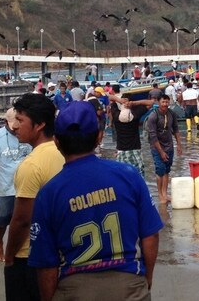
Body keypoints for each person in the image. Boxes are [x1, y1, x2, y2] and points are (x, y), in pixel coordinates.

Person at [28, 102, 164, 301]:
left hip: (74, 287)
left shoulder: (48, 194)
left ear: (56, 141)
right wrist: (145, 280)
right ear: (99, 136)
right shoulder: (129, 176)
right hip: (128, 284)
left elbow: (46, 264)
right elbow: (151, 235)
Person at [4, 93, 65, 301]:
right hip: (62, 252)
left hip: (29, 256)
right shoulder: (66, 153)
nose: (14, 126)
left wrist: (9, 256)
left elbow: (22, 220)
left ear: (39, 125)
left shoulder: (31, 165)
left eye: (20, 121)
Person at [0, 108, 32, 262]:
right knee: (2, 220)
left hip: (28, 186)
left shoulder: (29, 134)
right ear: (5, 123)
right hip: (5, 188)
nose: (16, 129)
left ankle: (22, 249)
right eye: (13, 125)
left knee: (27, 220)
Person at [145, 96, 182, 204]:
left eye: (166, 102)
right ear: (158, 102)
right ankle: (160, 195)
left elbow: (176, 129)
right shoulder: (153, 116)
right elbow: (153, 136)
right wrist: (161, 152)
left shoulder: (171, 113)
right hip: (157, 147)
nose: (165, 104)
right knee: (160, 170)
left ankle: (165, 194)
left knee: (166, 170)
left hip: (169, 146)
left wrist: (179, 144)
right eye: (163, 102)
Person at [111, 97, 154, 177]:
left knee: (123, 178)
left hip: (121, 152)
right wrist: (134, 103)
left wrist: (119, 100)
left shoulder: (116, 116)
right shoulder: (135, 116)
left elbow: (109, 97)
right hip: (135, 151)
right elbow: (151, 103)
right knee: (139, 176)